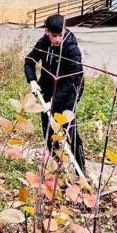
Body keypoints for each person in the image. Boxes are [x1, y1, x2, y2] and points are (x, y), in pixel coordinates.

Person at [24, 14, 86, 172]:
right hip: (47, 88)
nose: (58, 39)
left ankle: (81, 169)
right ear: (47, 32)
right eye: (54, 36)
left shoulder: (71, 48)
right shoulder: (44, 43)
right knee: (47, 127)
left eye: (60, 35)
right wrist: (32, 81)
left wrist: (55, 101)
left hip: (69, 91)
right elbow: (29, 61)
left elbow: (74, 78)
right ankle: (54, 163)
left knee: (69, 129)